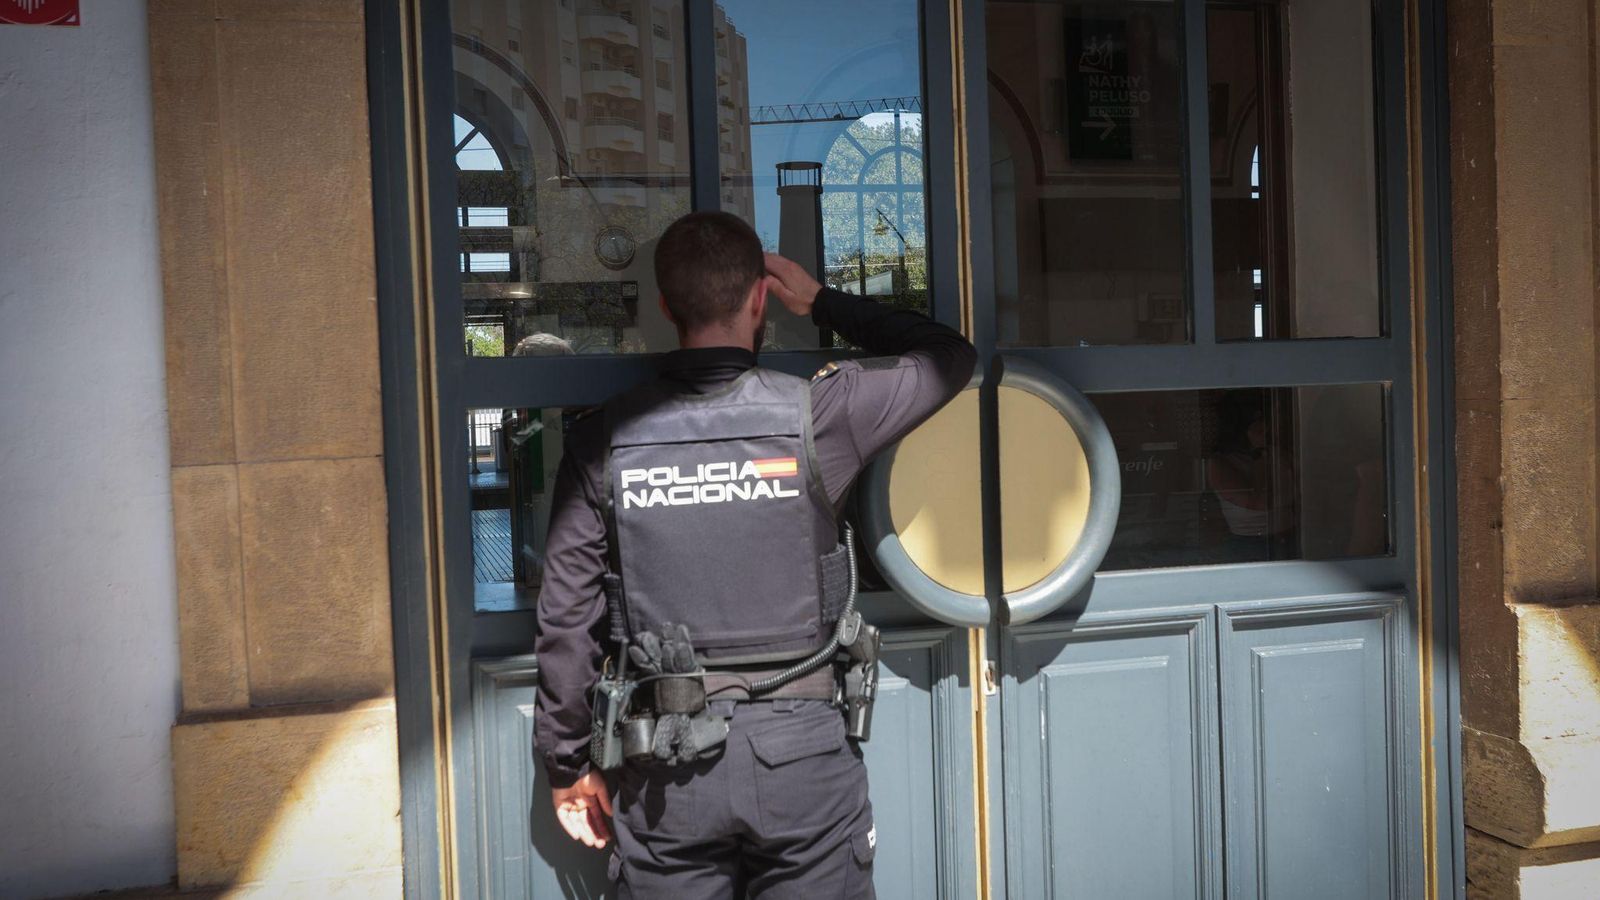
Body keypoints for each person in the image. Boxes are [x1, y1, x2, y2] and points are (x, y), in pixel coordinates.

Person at [533, 210, 975, 898]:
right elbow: (948, 357)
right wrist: (821, 300)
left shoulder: (602, 442)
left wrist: (565, 763)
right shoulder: (823, 414)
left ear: (663, 307)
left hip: (666, 772)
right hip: (804, 760)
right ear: (761, 297)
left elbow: (567, 617)